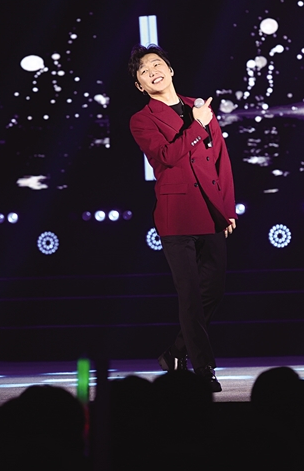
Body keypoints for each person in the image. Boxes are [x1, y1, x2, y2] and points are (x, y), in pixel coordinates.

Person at [128, 44, 237, 392]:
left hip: (209, 210)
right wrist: (196, 126)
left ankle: (176, 352)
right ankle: (204, 368)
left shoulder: (198, 107)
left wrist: (227, 208)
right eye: (144, 71)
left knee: (214, 290)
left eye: (156, 64)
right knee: (189, 295)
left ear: (170, 69)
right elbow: (166, 156)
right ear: (140, 85)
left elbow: (220, 158)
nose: (152, 72)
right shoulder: (142, 119)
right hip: (175, 214)